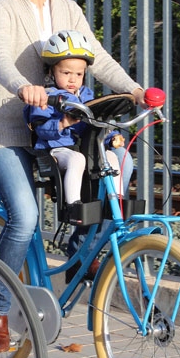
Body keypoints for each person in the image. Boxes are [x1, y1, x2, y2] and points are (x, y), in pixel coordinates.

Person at [0, 0, 145, 352]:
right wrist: (23, 87)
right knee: (24, 217)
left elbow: (96, 56)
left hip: (62, 130)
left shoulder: (68, 9)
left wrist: (134, 89)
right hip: (8, 129)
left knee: (118, 172)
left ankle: (80, 254)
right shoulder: (1, 8)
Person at [23, 29, 124, 221]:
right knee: (76, 159)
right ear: (51, 71)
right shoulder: (45, 97)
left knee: (111, 156)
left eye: (79, 74)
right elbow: (41, 130)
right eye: (66, 73)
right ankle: (73, 206)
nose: (72, 79)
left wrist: (111, 136)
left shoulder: (86, 96)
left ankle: (116, 200)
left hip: (84, 148)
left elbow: (97, 123)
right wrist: (62, 123)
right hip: (56, 150)